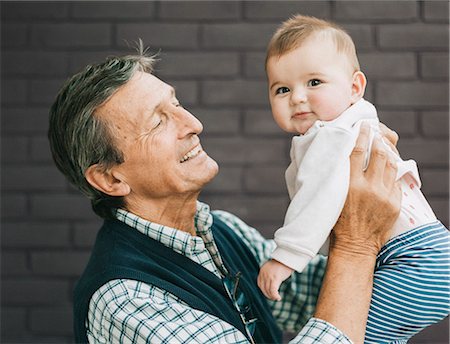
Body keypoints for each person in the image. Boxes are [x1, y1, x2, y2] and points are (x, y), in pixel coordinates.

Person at [48, 46, 402, 344]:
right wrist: (356, 246)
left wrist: (393, 225)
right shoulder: (125, 301)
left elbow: (328, 293)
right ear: (110, 179)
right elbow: (350, 277)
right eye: (158, 121)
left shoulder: (222, 231)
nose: (192, 124)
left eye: (177, 103)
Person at [257, 14, 450, 343]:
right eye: (282, 89)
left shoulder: (331, 136)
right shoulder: (355, 124)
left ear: (354, 87)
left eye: (314, 82)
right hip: (428, 255)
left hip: (411, 259)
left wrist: (284, 257)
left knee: (353, 331)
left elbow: (317, 200)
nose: (298, 97)